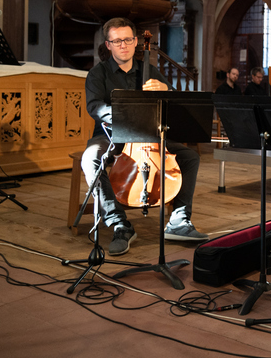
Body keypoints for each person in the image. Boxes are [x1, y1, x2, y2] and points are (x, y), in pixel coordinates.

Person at [81, 17, 208, 256]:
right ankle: (119, 223)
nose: (123, 45)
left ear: (136, 41)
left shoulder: (150, 71)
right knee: (90, 159)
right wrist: (126, 115)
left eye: (128, 39)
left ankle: (179, 220)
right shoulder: (98, 74)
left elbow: (173, 104)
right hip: (112, 134)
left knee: (190, 156)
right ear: (108, 45)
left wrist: (166, 91)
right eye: (117, 41)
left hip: (149, 135)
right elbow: (95, 107)